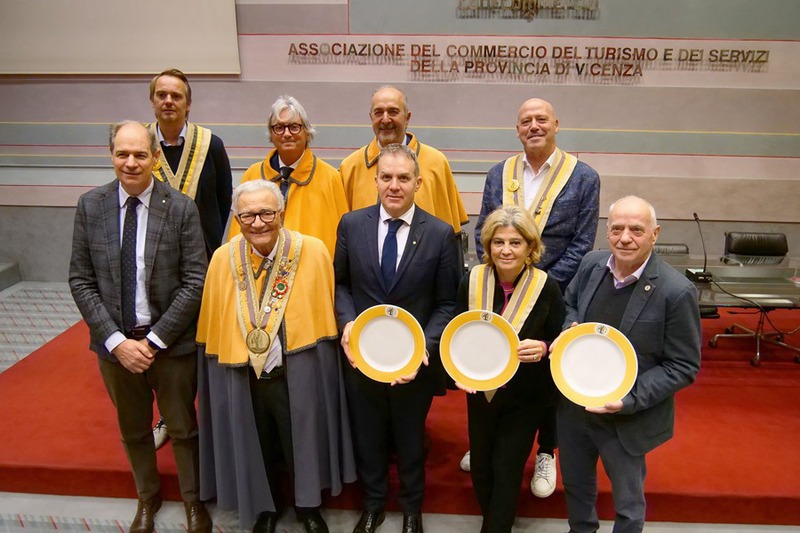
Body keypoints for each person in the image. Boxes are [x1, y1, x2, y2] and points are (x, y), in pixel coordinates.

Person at [69, 121, 210, 533]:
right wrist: (116, 342)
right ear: (111, 155)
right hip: (115, 348)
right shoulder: (90, 206)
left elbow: (195, 280)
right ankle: (147, 498)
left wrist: (153, 340)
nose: (131, 163)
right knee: (133, 431)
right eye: (122, 154)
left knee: (182, 429)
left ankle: (192, 501)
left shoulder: (181, 207)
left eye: (140, 154)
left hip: (171, 344)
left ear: (155, 157)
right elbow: (80, 279)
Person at [197, 180, 357, 533]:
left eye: (267, 213)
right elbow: (214, 323)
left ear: (281, 213)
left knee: (302, 438)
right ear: (237, 219)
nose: (258, 223)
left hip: (298, 367)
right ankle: (266, 507)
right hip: (244, 372)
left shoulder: (312, 251)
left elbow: (325, 311)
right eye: (248, 215)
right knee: (258, 441)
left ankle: (307, 506)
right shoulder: (223, 258)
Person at [465, 98, 600, 499]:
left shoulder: (583, 176)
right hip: (499, 287)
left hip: (555, 290)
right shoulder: (499, 173)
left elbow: (582, 241)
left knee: (546, 373)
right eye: (526, 121)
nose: (534, 126)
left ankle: (546, 450)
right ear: (517, 129)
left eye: (542, 119)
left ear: (556, 124)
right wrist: (504, 274)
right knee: (492, 359)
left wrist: (539, 285)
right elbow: (483, 231)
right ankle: (486, 439)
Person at [334, 144, 461, 533]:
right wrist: (347, 323)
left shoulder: (440, 234)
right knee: (368, 435)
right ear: (375, 181)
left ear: (418, 183)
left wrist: (424, 344)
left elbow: (447, 302)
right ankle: (372, 507)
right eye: (386, 177)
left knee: (409, 439)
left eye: (403, 178)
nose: (394, 185)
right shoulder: (351, 224)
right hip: (362, 358)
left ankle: (411, 511)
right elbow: (341, 284)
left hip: (414, 363)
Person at [557, 195, 701, 533]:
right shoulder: (592, 264)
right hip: (575, 407)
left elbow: (683, 365)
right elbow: (570, 304)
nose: (625, 237)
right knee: (577, 489)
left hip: (627, 417)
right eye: (617, 228)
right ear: (606, 232)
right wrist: (570, 329)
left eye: (636, 229)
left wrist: (628, 398)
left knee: (628, 504)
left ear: (655, 234)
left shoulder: (676, 292)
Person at [454, 206, 565, 533]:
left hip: (525, 396)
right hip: (480, 394)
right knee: (482, 470)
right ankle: (494, 520)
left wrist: (544, 347)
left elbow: (559, 338)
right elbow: (455, 333)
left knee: (507, 466)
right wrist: (458, 371)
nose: (505, 250)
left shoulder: (547, 287)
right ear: (487, 246)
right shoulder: (471, 281)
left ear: (531, 247)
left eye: (515, 243)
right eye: (498, 242)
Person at [148, 68, 233, 448]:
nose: (168, 101)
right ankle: (170, 414)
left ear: (188, 103)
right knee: (165, 344)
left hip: (206, 261)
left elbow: (224, 197)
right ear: (153, 101)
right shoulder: (140, 146)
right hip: (157, 266)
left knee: (206, 341)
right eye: (162, 95)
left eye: (176, 96)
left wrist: (210, 244)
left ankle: (213, 416)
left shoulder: (210, 144)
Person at [229, 95, 348, 257]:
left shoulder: (330, 177)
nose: (286, 134)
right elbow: (237, 235)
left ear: (306, 131)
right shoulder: (253, 175)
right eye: (279, 127)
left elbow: (343, 239)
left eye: (294, 127)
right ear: (271, 134)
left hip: (310, 270)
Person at [339, 85, 468, 235]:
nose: (385, 119)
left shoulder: (436, 163)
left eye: (393, 112)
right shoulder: (350, 167)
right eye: (378, 112)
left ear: (407, 118)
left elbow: (451, 233)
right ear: (371, 118)